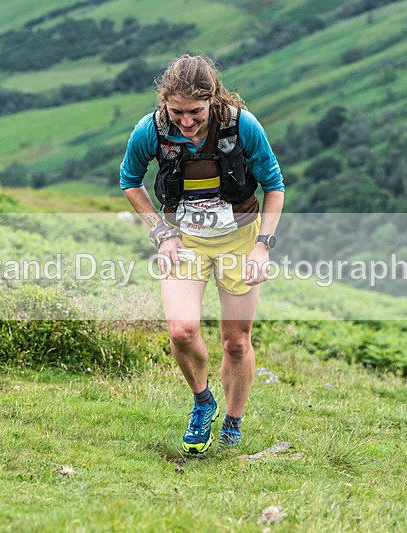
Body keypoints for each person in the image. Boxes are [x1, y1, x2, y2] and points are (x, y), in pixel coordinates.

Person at [120, 54, 285, 454]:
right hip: (183, 240)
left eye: (195, 111)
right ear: (165, 103)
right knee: (181, 330)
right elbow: (129, 180)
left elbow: (274, 186)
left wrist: (263, 246)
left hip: (240, 239)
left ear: (212, 99)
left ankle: (232, 422)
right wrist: (161, 233)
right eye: (177, 111)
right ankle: (202, 402)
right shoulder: (152, 129)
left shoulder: (242, 125)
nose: (186, 121)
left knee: (235, 342)